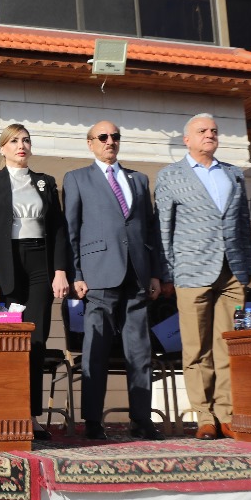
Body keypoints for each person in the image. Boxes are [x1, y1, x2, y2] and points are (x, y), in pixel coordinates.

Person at [63, 120, 164, 441]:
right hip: (98, 275)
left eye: (115, 136)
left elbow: (150, 231)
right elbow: (71, 231)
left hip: (137, 275)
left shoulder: (138, 179)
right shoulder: (77, 178)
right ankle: (93, 421)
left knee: (140, 352)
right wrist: (76, 274)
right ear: (90, 143)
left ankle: (142, 420)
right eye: (103, 137)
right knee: (96, 350)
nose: (110, 141)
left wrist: (155, 273)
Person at [154, 113, 251, 440]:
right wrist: (166, 272)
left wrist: (246, 269)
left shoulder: (233, 174)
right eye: (202, 131)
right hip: (191, 270)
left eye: (213, 130)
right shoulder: (171, 175)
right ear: (187, 139)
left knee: (228, 346)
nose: (209, 134)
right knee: (197, 348)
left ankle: (226, 414)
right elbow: (163, 228)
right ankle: (205, 416)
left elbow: (243, 224)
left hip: (232, 272)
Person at [0, 124, 69, 442]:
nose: (21, 145)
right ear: (2, 148)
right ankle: (4, 412)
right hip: (6, 269)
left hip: (40, 267)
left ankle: (30, 416)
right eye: (14, 141)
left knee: (36, 342)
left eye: (26, 140)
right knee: (8, 341)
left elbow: (58, 230)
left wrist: (60, 270)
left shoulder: (45, 182)